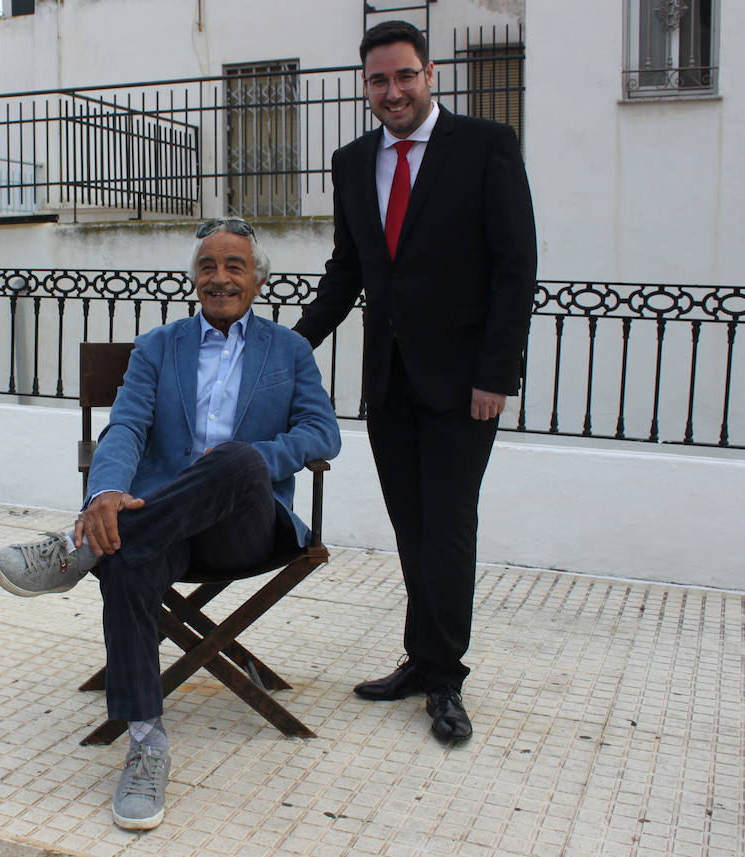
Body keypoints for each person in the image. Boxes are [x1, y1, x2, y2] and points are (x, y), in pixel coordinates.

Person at [0, 218, 341, 830]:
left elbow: (321, 434)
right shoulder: (159, 346)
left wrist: (259, 458)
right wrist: (106, 492)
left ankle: (76, 551)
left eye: (234, 266)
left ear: (257, 281)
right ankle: (146, 742)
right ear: (194, 278)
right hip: (162, 525)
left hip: (246, 526)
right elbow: (124, 427)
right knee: (127, 557)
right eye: (208, 265)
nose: (220, 277)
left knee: (234, 457)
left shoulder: (288, 350)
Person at [293, 20, 537, 744]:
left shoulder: (487, 146)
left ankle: (445, 678)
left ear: (429, 74)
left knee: (449, 528)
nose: (392, 91)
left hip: (466, 385)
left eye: (404, 76)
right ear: (365, 85)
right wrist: (287, 345)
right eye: (378, 80)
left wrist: (498, 372)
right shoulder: (352, 161)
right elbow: (349, 271)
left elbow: (514, 266)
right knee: (412, 527)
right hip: (391, 381)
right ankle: (421, 655)